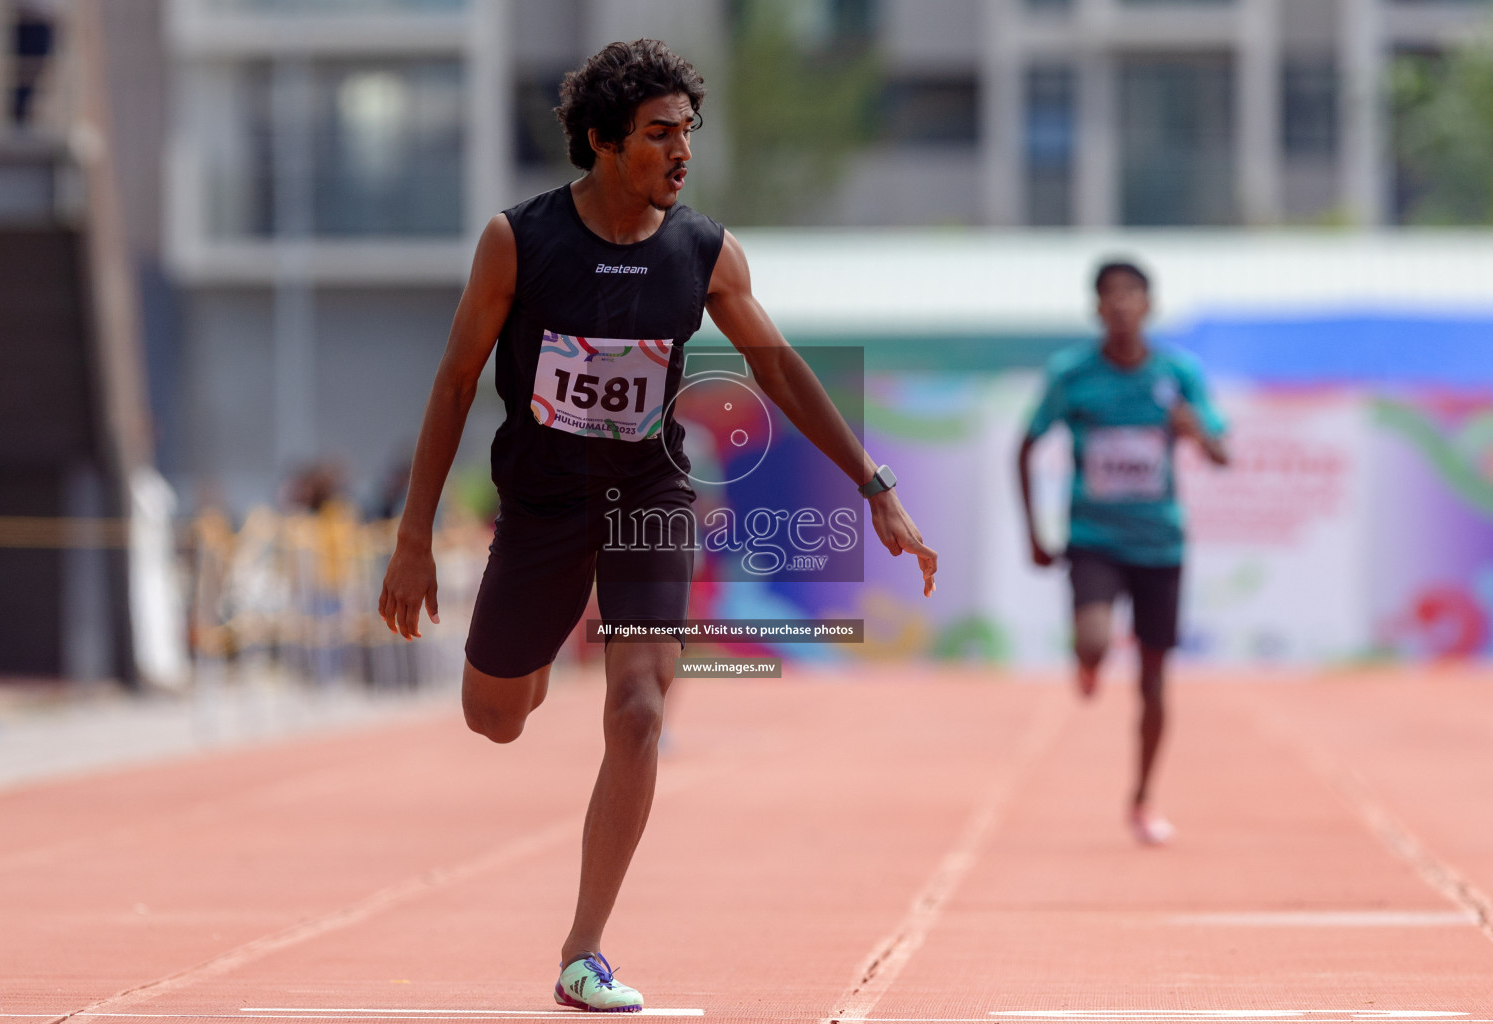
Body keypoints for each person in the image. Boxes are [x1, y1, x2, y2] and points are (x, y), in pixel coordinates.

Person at [377, 39, 936, 1012]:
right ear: (602, 142)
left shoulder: (704, 252)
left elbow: (780, 367)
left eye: (689, 133)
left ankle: (583, 949)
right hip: (543, 505)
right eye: (659, 134)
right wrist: (414, 535)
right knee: (495, 717)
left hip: (648, 499)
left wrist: (873, 483)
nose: (682, 153)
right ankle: (536, 652)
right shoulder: (519, 241)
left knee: (640, 706)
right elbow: (456, 380)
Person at [1016, 259, 1228, 847]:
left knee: (1155, 680)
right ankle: (1088, 662)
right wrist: (1034, 532)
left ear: (1148, 306)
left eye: (1133, 296)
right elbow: (1026, 446)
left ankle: (1142, 797)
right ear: (1097, 309)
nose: (1122, 307)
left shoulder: (1178, 373)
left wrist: (1195, 432)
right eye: (1111, 297)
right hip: (1094, 538)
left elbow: (1222, 453)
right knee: (1093, 639)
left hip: (1160, 541)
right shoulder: (1073, 374)